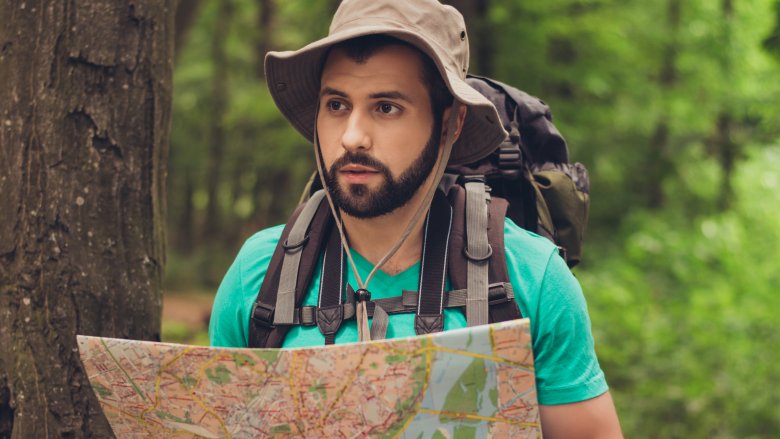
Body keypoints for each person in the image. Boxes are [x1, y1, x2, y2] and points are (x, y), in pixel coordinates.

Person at [209, 0, 623, 436]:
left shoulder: (531, 279)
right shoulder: (259, 277)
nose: (352, 136)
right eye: (336, 105)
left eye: (386, 107)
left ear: (451, 123)